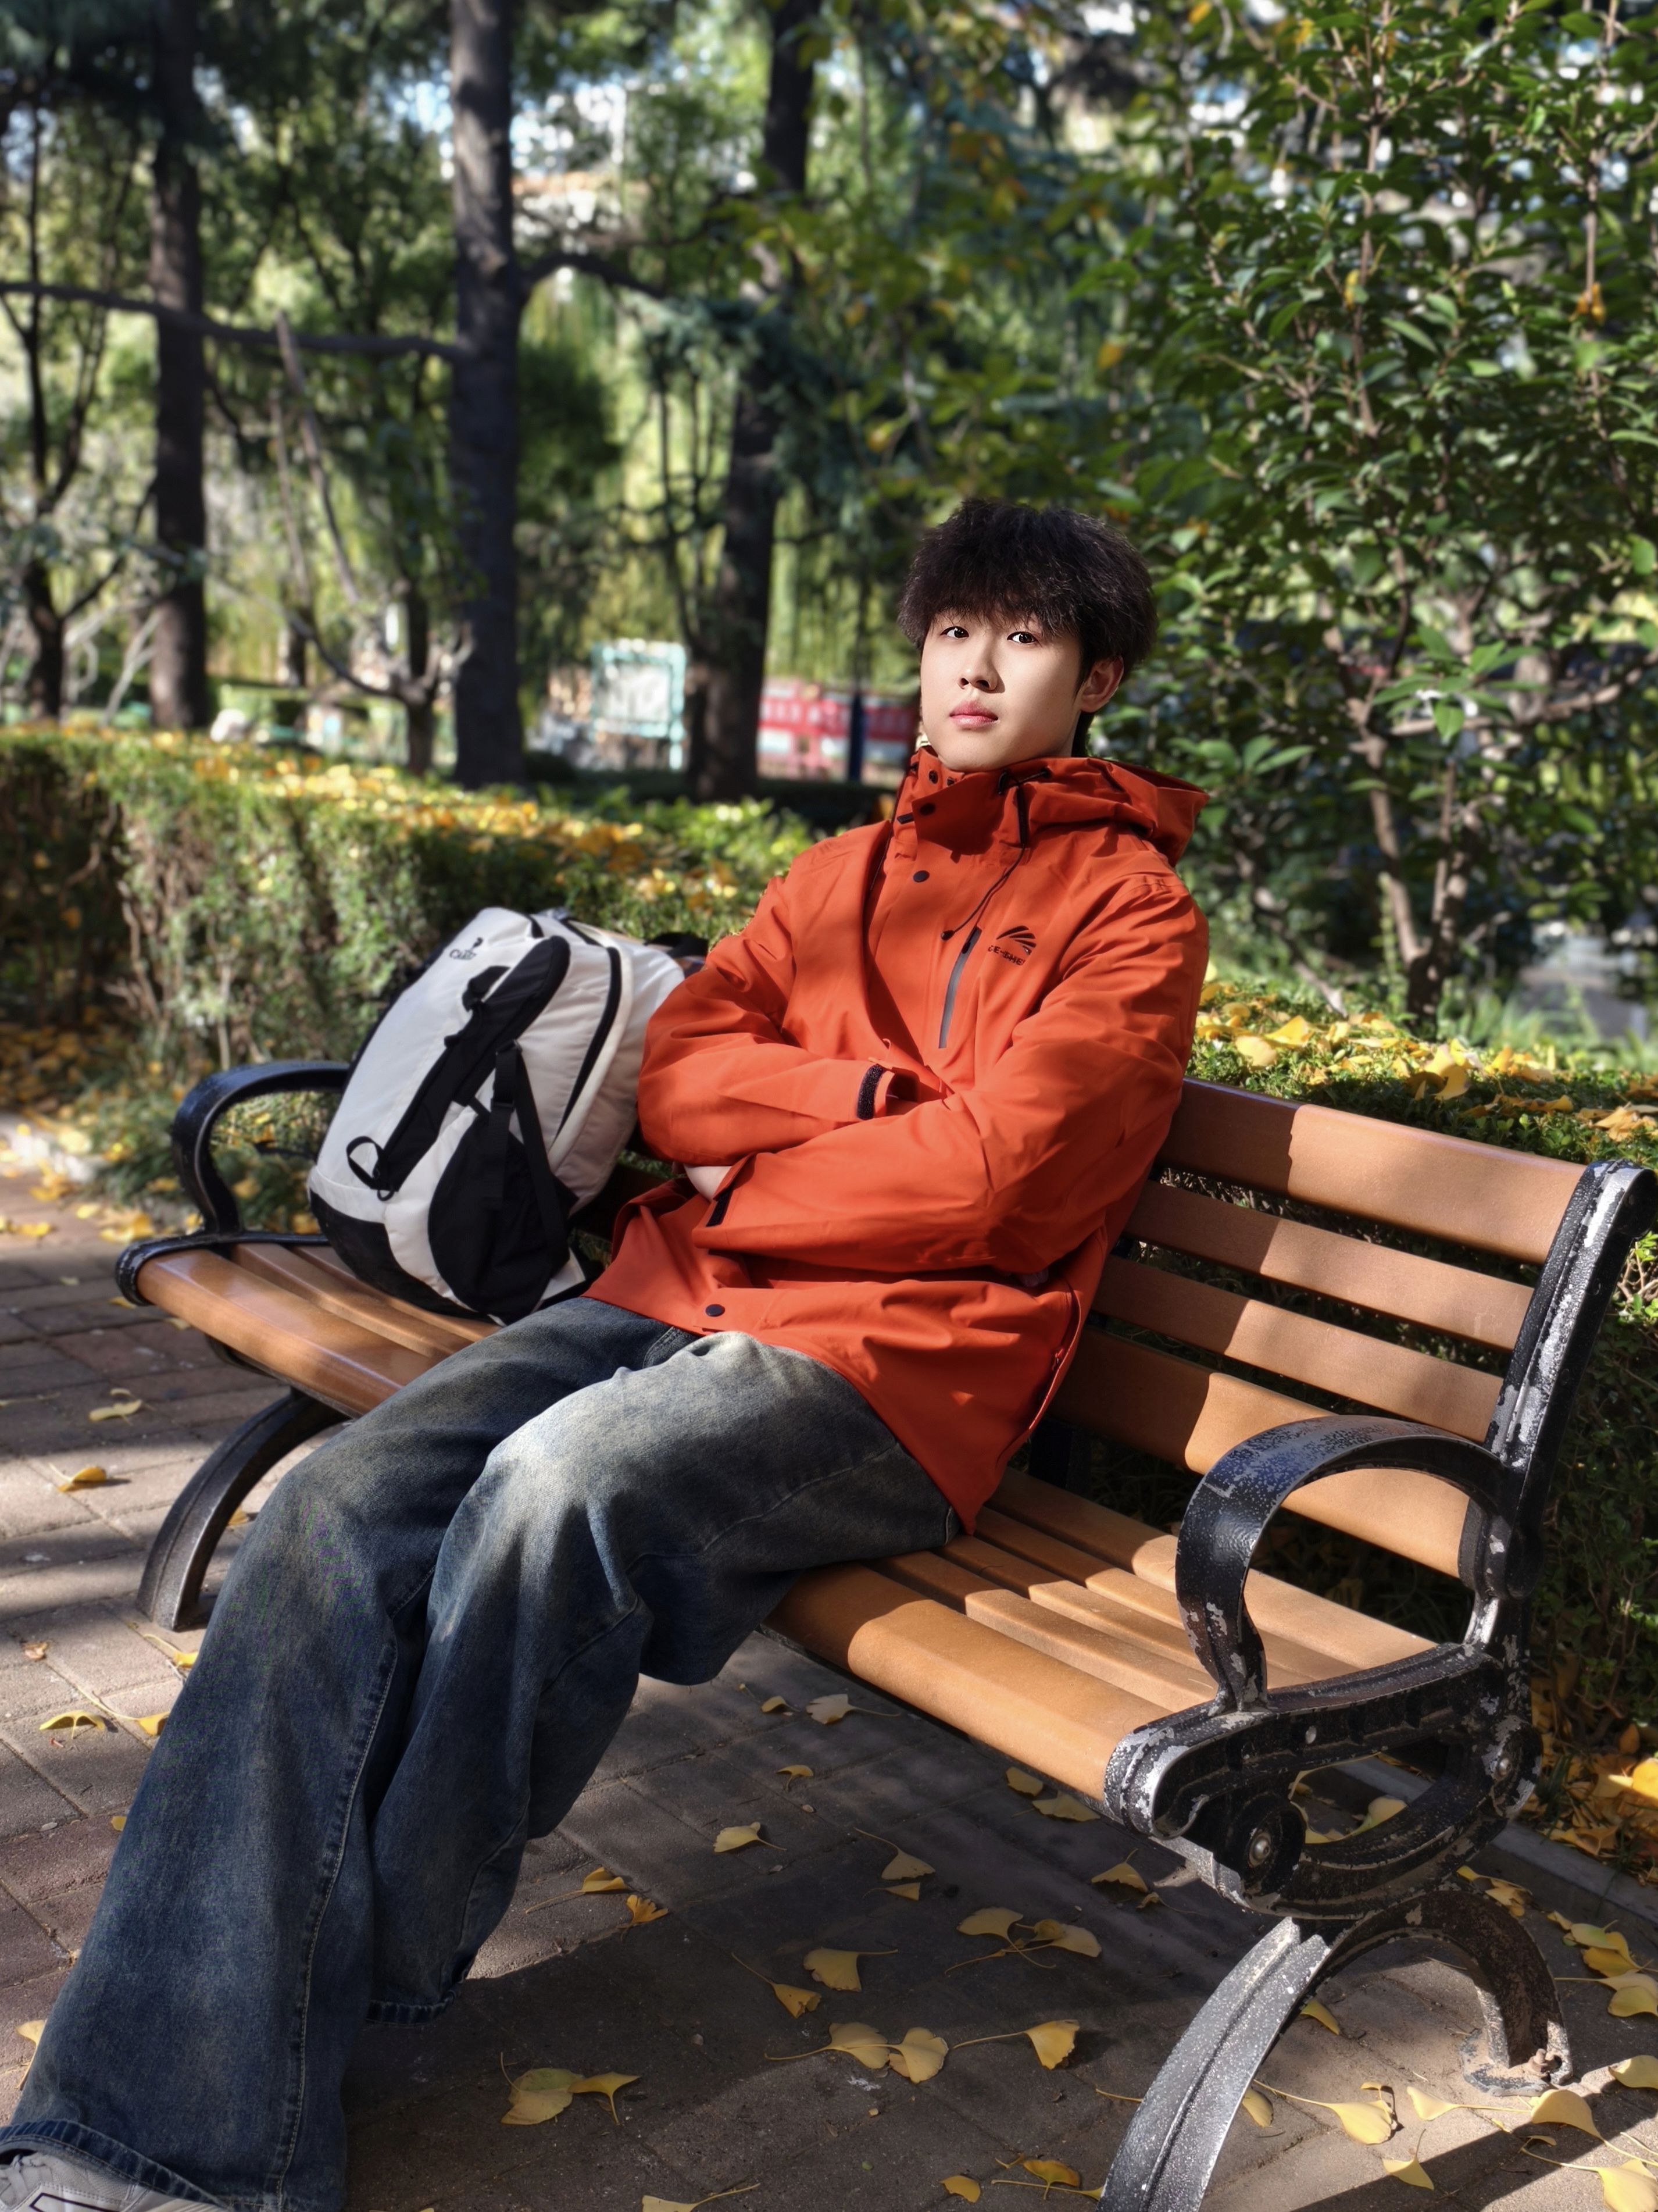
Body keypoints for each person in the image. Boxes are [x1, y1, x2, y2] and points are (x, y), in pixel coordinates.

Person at [0, 498, 1207, 2212]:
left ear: (1095, 679)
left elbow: (1007, 1182)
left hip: (892, 1372)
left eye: (1023, 637)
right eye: (954, 630)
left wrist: (767, 1172)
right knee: (331, 1506)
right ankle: (147, 2126)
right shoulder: (836, 875)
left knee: (554, 1485)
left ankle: (287, 2008)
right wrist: (869, 1097)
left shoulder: (1134, 916)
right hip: (664, 1291)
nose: (974, 666)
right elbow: (684, 1076)